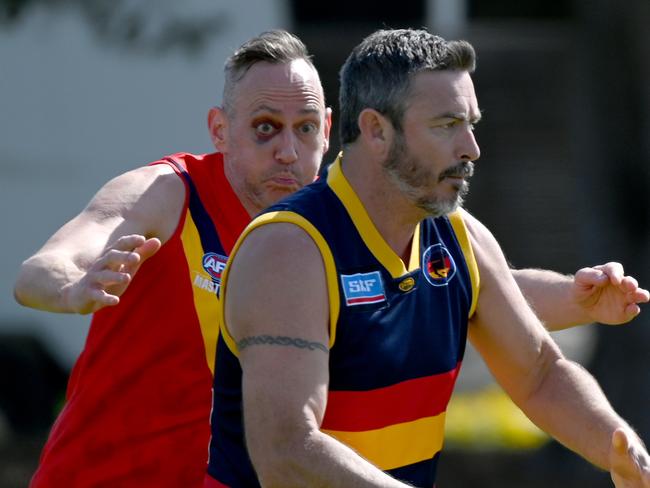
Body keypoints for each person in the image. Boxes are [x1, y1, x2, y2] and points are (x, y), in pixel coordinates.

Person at [13, 30, 647, 487]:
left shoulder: (357, 227)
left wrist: (574, 295)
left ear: (334, 128)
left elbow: (454, 292)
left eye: (306, 127)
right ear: (219, 130)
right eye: (265, 127)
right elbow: (42, 269)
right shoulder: (173, 196)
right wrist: (73, 288)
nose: (288, 150)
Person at [204, 29, 650, 487]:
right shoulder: (288, 249)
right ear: (376, 130)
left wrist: (619, 446)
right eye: (445, 125)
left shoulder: (460, 236)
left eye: (470, 124)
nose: (470, 149)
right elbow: (287, 450)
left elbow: (539, 373)